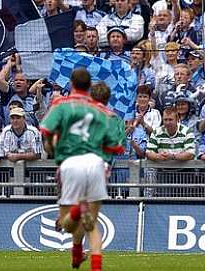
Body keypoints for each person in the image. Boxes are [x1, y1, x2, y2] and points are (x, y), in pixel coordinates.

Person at [39, 72, 125, 271]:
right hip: (96, 164)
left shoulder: (62, 104)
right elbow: (116, 147)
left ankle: (78, 210)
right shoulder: (105, 113)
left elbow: (46, 132)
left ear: (71, 83)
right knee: (92, 224)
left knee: (67, 224)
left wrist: (53, 146)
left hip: (70, 163)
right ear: (89, 87)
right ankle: (91, 263)